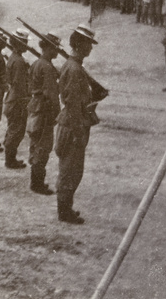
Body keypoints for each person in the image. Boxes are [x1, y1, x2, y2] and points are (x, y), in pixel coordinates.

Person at [55, 24, 99, 224]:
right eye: (88, 43)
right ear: (79, 44)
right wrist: (78, 131)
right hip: (73, 125)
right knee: (69, 170)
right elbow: (72, 104)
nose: (90, 47)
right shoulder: (74, 69)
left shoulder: (75, 66)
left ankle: (66, 207)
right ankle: (64, 211)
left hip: (75, 123)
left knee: (74, 169)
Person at [27, 32, 61, 195]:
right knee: (43, 146)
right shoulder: (46, 67)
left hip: (36, 107)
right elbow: (52, 94)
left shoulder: (37, 63)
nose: (57, 51)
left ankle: (36, 180)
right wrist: (57, 114)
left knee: (36, 143)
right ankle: (37, 183)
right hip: (44, 110)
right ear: (47, 47)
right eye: (55, 48)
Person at [3, 29, 30, 168]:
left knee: (13, 129)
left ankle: (10, 158)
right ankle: (10, 160)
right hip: (17, 100)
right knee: (16, 130)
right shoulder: (19, 61)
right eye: (24, 42)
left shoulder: (14, 57)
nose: (26, 45)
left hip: (12, 98)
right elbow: (20, 84)